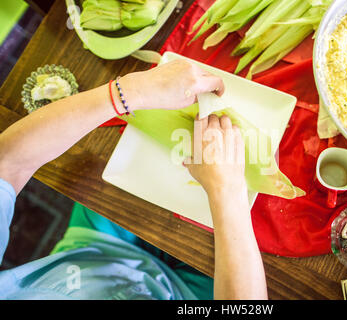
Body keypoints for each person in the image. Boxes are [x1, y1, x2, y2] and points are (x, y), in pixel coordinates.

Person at [0, 60, 268, 300]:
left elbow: (7, 161)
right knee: (263, 220)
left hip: (96, 251)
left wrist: (130, 91)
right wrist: (228, 188)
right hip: (190, 293)